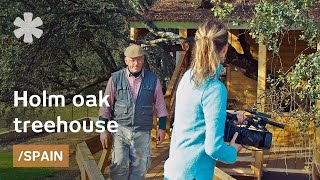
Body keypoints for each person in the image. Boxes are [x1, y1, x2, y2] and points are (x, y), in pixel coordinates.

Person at [163, 20, 244, 179]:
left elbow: (194, 120)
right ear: (225, 49)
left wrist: (227, 118)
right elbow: (214, 148)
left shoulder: (188, 76)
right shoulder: (215, 88)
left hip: (174, 171)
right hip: (194, 174)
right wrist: (233, 151)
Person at [99, 44, 168, 180]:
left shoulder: (153, 79)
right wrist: (103, 130)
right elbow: (105, 106)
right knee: (118, 164)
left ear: (143, 60)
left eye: (139, 59)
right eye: (132, 60)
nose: (135, 63)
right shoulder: (115, 79)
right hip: (120, 130)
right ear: (126, 61)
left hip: (143, 131)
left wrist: (162, 128)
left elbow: (160, 105)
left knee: (140, 168)